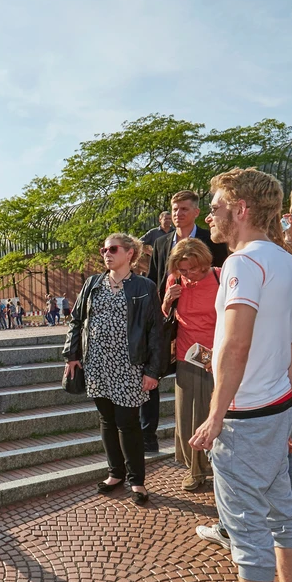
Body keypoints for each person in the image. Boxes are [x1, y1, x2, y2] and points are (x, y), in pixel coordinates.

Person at [187, 168, 292, 582]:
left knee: (247, 530)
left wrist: (216, 415)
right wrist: (290, 399)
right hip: (276, 405)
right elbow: (289, 343)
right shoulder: (290, 264)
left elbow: (237, 344)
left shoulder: (242, 263)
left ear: (240, 207)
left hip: (245, 414)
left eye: (216, 204)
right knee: (283, 512)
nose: (210, 213)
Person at [64, 233, 160, 505]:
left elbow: (155, 331)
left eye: (112, 249)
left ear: (130, 253)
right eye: (103, 249)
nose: (106, 253)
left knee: (128, 424)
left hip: (129, 366)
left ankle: (137, 480)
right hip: (96, 364)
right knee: (107, 420)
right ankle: (115, 473)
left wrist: (153, 370)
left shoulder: (144, 286)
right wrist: (72, 354)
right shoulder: (93, 284)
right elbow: (76, 320)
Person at [142, 191, 228, 453]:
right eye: (174, 209)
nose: (177, 214)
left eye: (183, 209)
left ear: (196, 212)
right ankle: (152, 439)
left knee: (209, 399)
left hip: (210, 336)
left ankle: (214, 454)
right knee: (175, 394)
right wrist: (163, 306)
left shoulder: (213, 239)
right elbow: (154, 282)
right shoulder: (161, 243)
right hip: (175, 330)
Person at [161, 239, 220, 492]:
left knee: (213, 414)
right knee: (186, 416)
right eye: (183, 270)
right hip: (186, 355)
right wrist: (166, 302)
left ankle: (217, 467)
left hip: (215, 356)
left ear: (205, 262)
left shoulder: (219, 276)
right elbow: (167, 316)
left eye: (193, 269)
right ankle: (194, 470)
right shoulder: (175, 280)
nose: (189, 275)